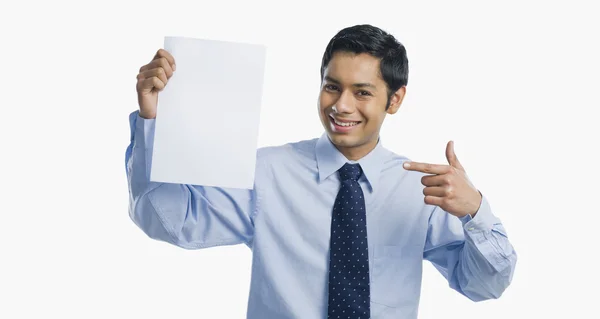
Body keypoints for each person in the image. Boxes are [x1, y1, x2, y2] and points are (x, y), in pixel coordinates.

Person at [125, 24, 517, 319]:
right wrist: (154, 120)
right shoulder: (266, 172)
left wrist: (476, 211)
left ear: (395, 99)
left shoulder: (421, 190)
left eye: (362, 92)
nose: (341, 106)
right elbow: (168, 221)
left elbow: (484, 284)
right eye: (332, 87)